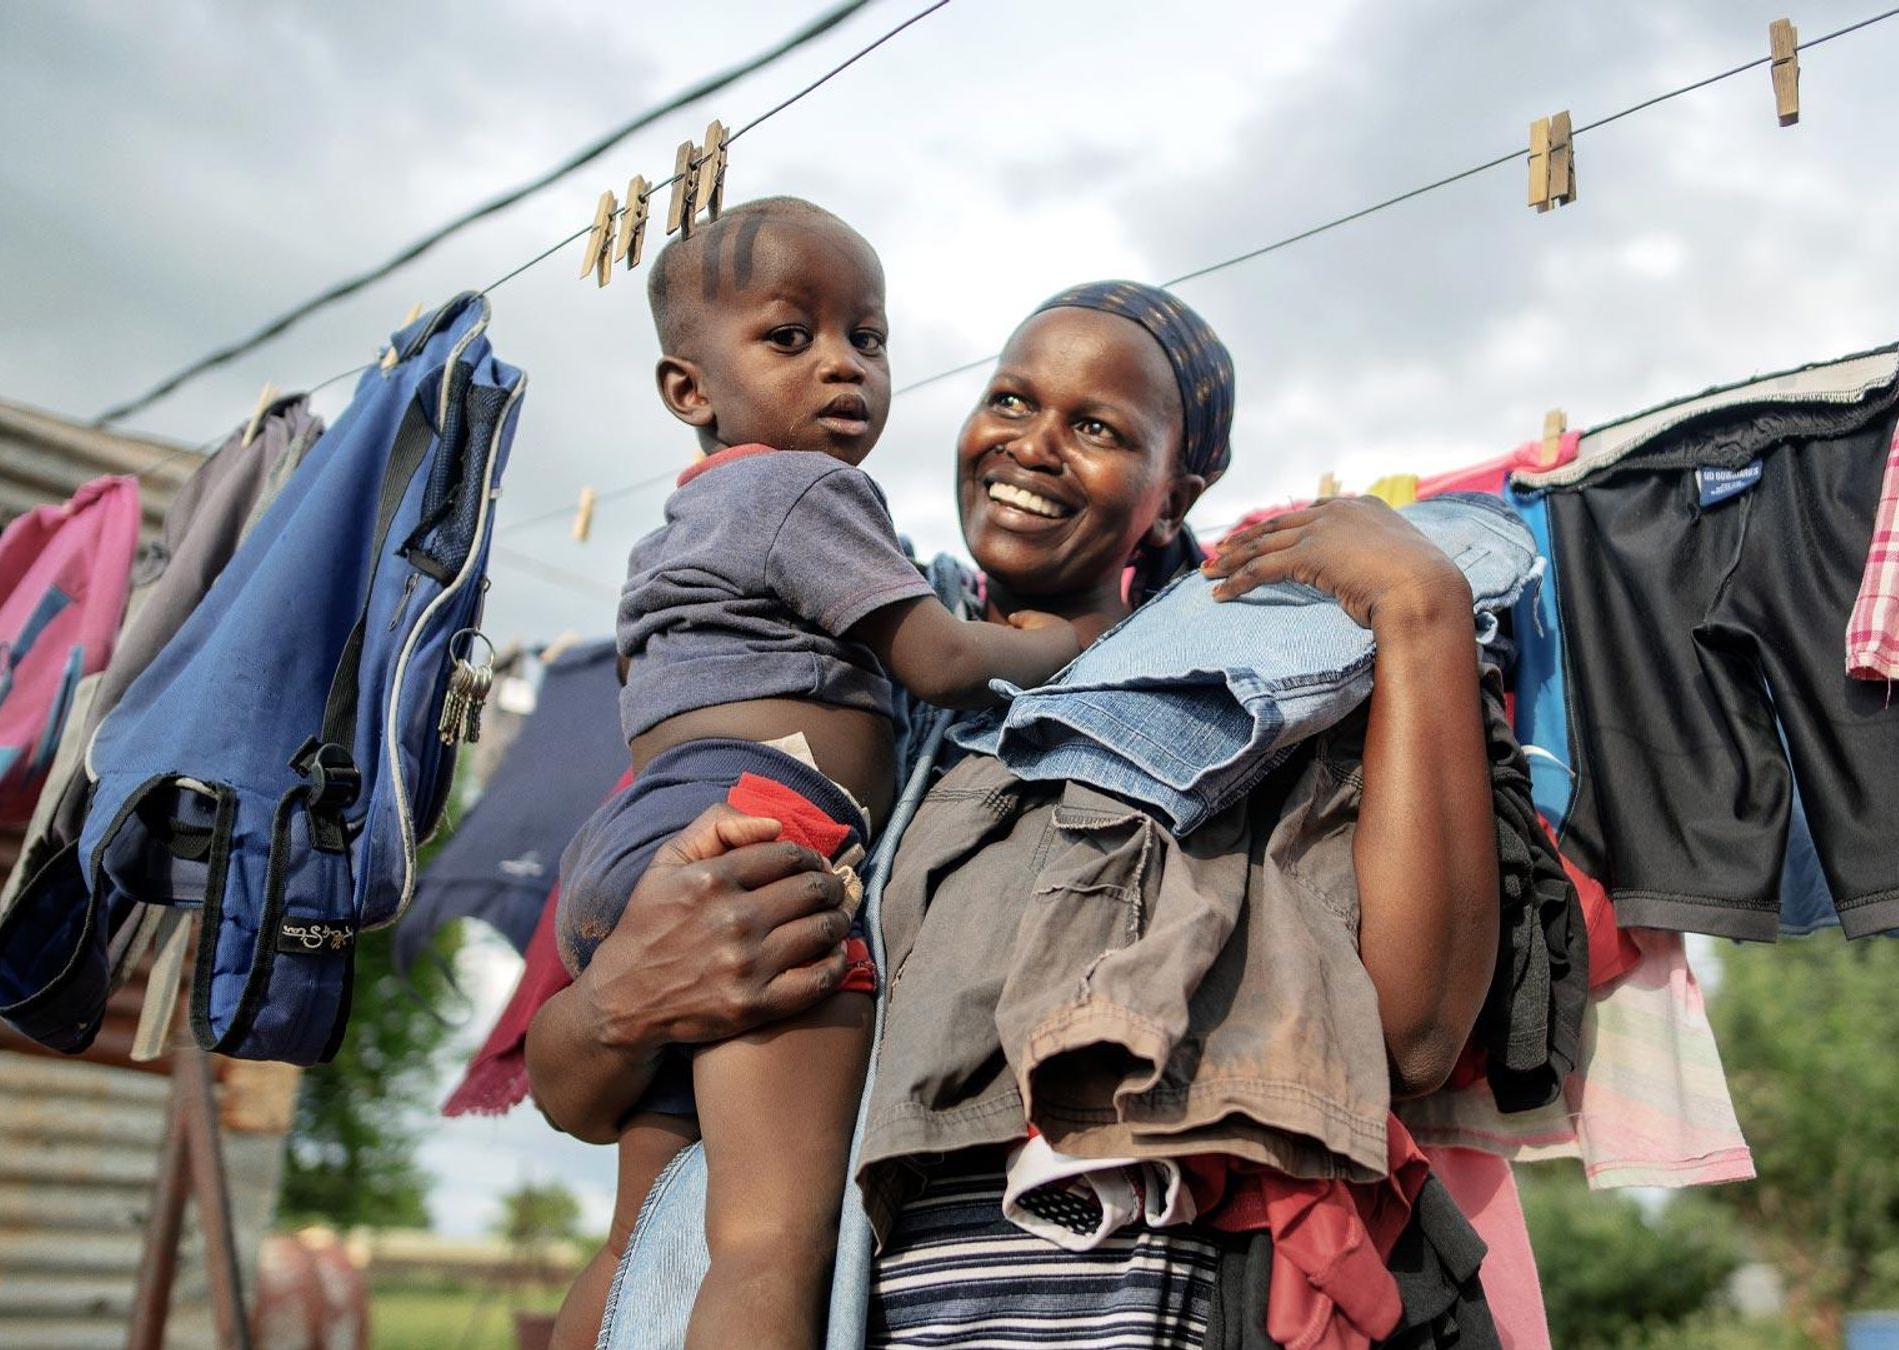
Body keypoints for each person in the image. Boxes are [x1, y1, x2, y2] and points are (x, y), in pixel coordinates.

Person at [530, 280, 1501, 1346]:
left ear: (1175, 492)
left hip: (1156, 1312)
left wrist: (1421, 615)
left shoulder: (1256, 682)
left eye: (1095, 427)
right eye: (1009, 401)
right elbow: (574, 1090)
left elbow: (1415, 1033)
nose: (1031, 447)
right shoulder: (843, 703)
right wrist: (621, 1000)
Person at [550, 196, 1086, 1350]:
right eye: (791, 338)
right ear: (687, 389)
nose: (843, 366)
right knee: (768, 1241)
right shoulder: (805, 491)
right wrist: (1064, 646)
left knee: (642, 1238)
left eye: (869, 337)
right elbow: (940, 659)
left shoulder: (686, 521)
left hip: (643, 849)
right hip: (764, 835)